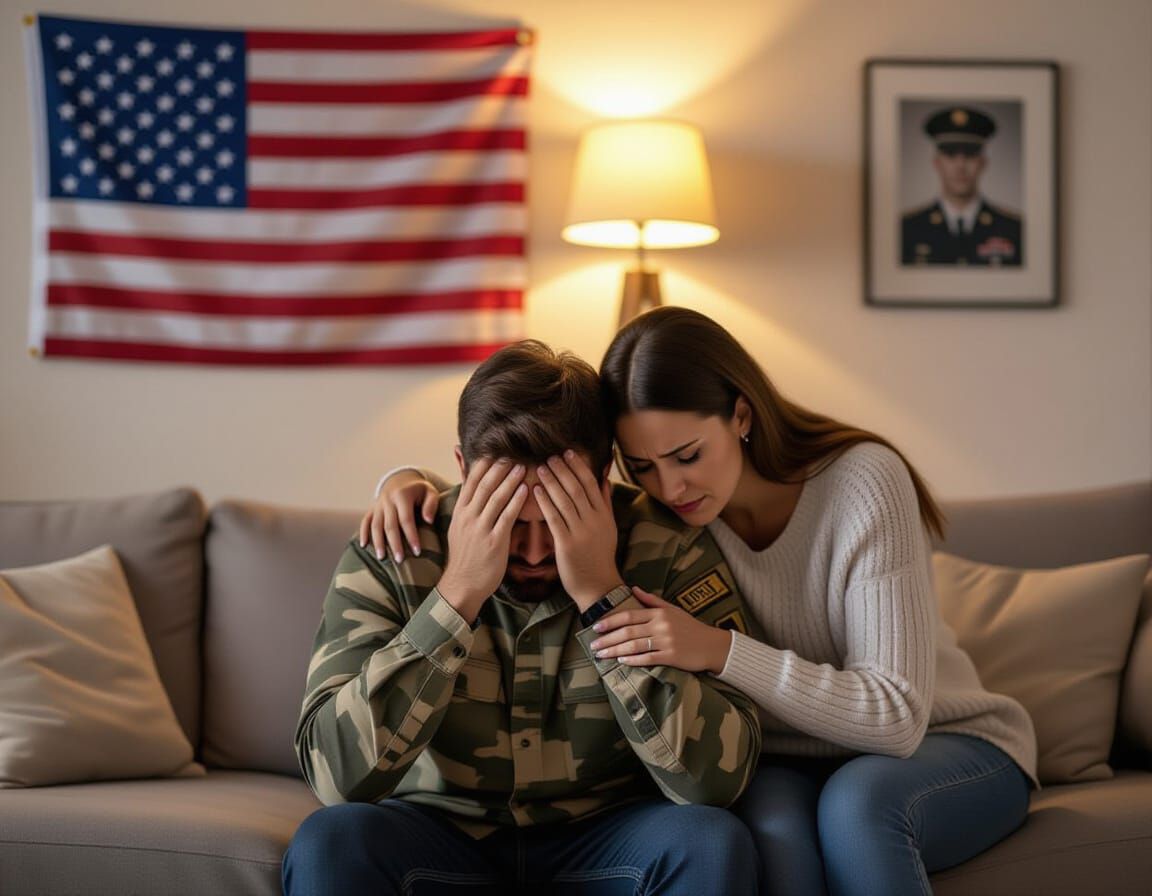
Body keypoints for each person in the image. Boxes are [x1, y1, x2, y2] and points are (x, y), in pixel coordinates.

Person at [366, 308, 1038, 896]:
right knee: (761, 833)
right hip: (784, 759)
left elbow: (896, 719)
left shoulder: (862, 482)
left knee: (858, 812)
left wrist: (719, 650)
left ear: (740, 415)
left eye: (687, 455)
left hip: (937, 743)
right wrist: (408, 482)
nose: (671, 487)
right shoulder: (666, 513)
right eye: (643, 467)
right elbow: (527, 469)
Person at [285, 339, 763, 896]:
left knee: (710, 842)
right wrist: (456, 595)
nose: (535, 553)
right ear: (462, 469)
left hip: (610, 833)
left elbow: (717, 783)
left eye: (559, 516)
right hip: (435, 830)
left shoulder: (669, 546)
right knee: (329, 842)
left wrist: (603, 595)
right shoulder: (398, 547)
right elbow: (335, 779)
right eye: (510, 518)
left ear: (604, 476)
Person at [901, 105, 1023, 266]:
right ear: (937, 163)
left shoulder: (1013, 229)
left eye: (970, 154)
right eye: (950, 154)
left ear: (983, 163)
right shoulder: (907, 229)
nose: (960, 166)